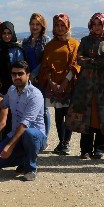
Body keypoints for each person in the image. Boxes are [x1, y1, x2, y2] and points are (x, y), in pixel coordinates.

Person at [67, 13, 104, 160]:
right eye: (94, 24)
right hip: (86, 84)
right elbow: (80, 59)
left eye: (99, 24)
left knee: (102, 114)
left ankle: (100, 148)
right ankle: (85, 149)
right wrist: (95, 61)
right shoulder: (85, 40)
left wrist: (91, 61)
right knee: (86, 114)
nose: (96, 27)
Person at [0, 61, 46, 181]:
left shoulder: (35, 95)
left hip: (35, 136)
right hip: (16, 134)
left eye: (20, 73)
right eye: (14, 74)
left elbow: (25, 124)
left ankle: (31, 168)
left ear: (28, 75)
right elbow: (3, 104)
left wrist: (9, 146)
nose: (17, 77)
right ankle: (25, 159)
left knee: (29, 134)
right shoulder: (12, 89)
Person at [38, 14, 80, 156]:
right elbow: (46, 66)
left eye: (62, 25)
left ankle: (66, 143)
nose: (60, 28)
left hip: (69, 84)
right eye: (57, 25)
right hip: (54, 85)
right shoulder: (50, 46)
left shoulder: (74, 43)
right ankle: (61, 142)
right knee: (58, 114)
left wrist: (65, 82)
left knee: (68, 115)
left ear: (67, 26)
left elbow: (75, 64)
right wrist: (52, 83)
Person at [0, 21, 25, 95]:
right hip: (0, 85)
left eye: (9, 33)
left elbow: (21, 68)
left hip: (15, 85)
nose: (6, 36)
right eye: (4, 33)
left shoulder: (17, 50)